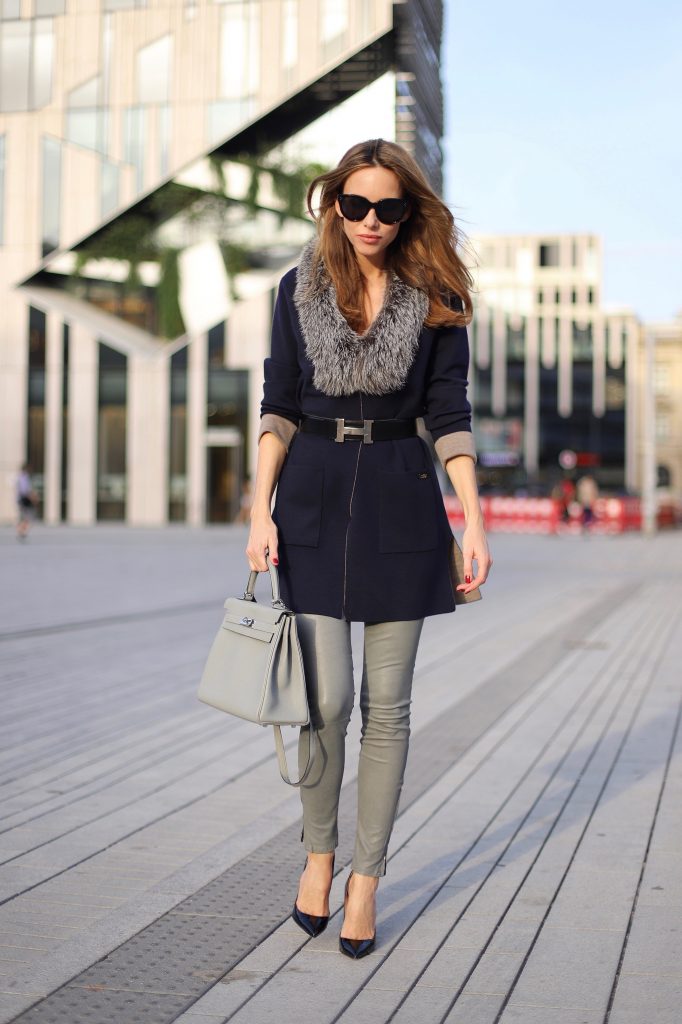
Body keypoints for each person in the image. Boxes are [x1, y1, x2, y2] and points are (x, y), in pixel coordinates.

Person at [247, 139, 492, 960]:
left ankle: (365, 881)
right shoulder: (299, 289)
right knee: (325, 703)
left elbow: (449, 414)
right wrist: (259, 510)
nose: (371, 222)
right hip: (311, 498)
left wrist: (473, 522)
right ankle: (317, 857)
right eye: (356, 205)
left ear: (408, 210)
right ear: (334, 206)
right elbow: (278, 404)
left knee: (387, 709)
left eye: (389, 207)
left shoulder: (438, 296)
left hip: (400, 502)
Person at [15, 463, 37, 541]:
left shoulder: (21, 477)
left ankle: (21, 530)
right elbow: (25, 491)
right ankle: (21, 530)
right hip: (24, 499)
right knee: (28, 516)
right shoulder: (24, 477)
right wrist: (32, 497)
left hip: (22, 499)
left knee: (25, 517)